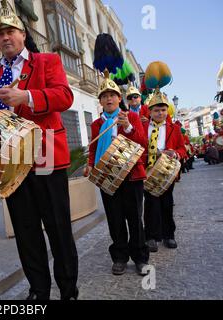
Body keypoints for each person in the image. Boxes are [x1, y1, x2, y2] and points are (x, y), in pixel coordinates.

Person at [0, 1, 78, 300]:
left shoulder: (47, 62)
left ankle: (67, 289)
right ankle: (39, 291)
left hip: (46, 159)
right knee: (26, 234)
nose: (5, 38)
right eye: (0, 34)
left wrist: (26, 96)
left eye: (10, 31)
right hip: (12, 166)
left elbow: (65, 96)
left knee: (58, 229)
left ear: (23, 34)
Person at [84, 78, 150, 276]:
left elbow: (142, 144)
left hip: (131, 177)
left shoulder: (131, 117)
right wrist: (89, 165)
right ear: (101, 101)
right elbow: (94, 147)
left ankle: (140, 257)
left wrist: (128, 127)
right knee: (115, 219)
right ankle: (120, 257)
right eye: (104, 96)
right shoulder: (97, 124)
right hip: (107, 175)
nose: (109, 99)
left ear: (119, 98)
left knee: (135, 219)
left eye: (112, 95)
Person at [143, 91, 186, 252]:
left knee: (167, 203)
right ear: (150, 112)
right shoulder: (143, 127)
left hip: (166, 172)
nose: (160, 113)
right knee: (150, 204)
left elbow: (182, 149)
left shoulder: (174, 129)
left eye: (163, 110)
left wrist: (175, 153)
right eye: (156, 110)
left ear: (167, 111)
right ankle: (151, 237)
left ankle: (169, 235)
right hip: (148, 171)